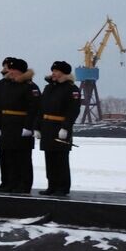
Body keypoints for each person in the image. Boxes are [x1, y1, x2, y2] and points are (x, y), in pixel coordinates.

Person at [0, 58, 40, 194]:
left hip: (20, 125)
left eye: (14, 70)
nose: (11, 72)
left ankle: (24, 184)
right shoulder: (5, 85)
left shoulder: (30, 86)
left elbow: (34, 108)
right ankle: (10, 182)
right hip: (6, 125)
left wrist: (29, 127)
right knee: (8, 156)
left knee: (22, 157)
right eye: (10, 69)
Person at [38, 61, 81, 196]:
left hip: (60, 127)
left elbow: (73, 110)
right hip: (47, 127)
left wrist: (66, 128)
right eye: (53, 71)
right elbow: (41, 108)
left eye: (56, 71)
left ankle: (62, 187)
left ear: (64, 73)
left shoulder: (71, 89)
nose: (53, 73)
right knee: (49, 158)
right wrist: (37, 127)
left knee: (60, 159)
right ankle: (52, 185)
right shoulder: (48, 88)